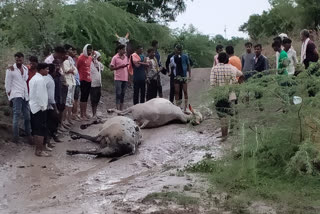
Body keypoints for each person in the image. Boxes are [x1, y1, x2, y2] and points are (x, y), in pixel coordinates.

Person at [210, 52, 242, 139]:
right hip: (230, 94)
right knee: (228, 114)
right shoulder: (232, 68)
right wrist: (238, 84)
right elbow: (241, 74)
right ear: (227, 59)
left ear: (218, 59)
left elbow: (212, 84)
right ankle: (227, 134)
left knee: (222, 116)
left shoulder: (214, 69)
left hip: (219, 95)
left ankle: (224, 135)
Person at [5, 52, 32, 144]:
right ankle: (16, 137)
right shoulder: (10, 70)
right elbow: (7, 84)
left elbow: (25, 81)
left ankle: (29, 135)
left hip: (24, 94)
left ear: (23, 59)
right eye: (17, 60)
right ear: (15, 60)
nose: (18, 61)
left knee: (27, 116)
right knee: (16, 115)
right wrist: (10, 98)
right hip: (16, 95)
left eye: (20, 59)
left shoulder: (25, 68)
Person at [29, 63, 49, 157]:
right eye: (46, 69)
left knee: (36, 129)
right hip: (39, 108)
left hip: (33, 107)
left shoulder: (33, 78)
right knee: (41, 130)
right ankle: (39, 151)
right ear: (41, 70)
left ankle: (38, 150)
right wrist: (43, 107)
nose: (48, 71)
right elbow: (40, 95)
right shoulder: (40, 80)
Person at [43, 62, 61, 149]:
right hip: (48, 106)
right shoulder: (50, 81)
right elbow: (50, 97)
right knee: (50, 125)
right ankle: (47, 143)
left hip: (43, 105)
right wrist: (55, 108)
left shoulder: (43, 78)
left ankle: (48, 142)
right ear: (52, 71)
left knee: (47, 124)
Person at [169, 45, 191, 111]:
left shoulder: (185, 56)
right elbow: (172, 66)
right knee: (177, 91)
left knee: (185, 91)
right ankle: (178, 106)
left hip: (183, 76)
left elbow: (188, 65)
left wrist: (189, 75)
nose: (177, 51)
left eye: (178, 49)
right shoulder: (173, 57)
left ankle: (185, 107)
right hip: (177, 76)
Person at [110, 44, 129, 110]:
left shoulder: (126, 57)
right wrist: (120, 67)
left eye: (125, 49)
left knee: (123, 94)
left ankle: (121, 108)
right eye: (123, 49)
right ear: (119, 50)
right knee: (118, 93)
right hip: (118, 78)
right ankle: (117, 108)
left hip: (125, 78)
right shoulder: (115, 57)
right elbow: (111, 68)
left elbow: (127, 67)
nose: (124, 51)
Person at [77, 44, 93, 119]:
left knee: (86, 97)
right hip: (82, 79)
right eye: (88, 50)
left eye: (90, 50)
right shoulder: (80, 58)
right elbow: (77, 67)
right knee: (83, 96)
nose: (90, 52)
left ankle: (85, 112)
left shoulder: (90, 58)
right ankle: (81, 114)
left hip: (89, 79)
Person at [62, 53, 77, 127]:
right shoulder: (64, 62)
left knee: (71, 100)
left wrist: (71, 70)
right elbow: (66, 70)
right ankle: (64, 120)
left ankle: (69, 118)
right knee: (67, 101)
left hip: (72, 81)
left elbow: (75, 71)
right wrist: (71, 70)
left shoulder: (71, 62)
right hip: (67, 82)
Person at [90, 51, 104, 118]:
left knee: (97, 98)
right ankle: (93, 114)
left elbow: (102, 69)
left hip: (99, 84)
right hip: (93, 84)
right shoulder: (89, 64)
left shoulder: (98, 64)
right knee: (93, 99)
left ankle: (95, 113)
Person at [71, 47, 80, 120]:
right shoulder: (69, 60)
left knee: (76, 98)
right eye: (74, 52)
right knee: (72, 99)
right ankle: (71, 114)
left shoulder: (77, 59)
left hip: (77, 80)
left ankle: (75, 113)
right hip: (72, 81)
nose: (75, 54)